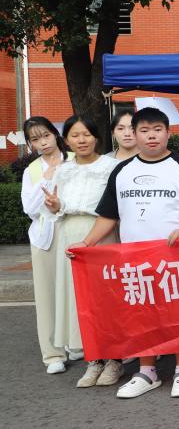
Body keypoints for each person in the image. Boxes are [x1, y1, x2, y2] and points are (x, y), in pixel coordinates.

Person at [69, 107, 179, 399]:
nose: (151, 136)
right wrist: (87, 243)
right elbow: (109, 215)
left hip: (174, 256)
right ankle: (147, 372)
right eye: (144, 131)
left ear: (168, 133)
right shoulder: (122, 171)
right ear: (134, 135)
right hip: (134, 258)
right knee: (140, 315)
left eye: (158, 130)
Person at [44, 116, 122, 387]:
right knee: (79, 300)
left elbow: (116, 207)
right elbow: (55, 208)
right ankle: (93, 359)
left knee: (106, 299)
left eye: (86, 134)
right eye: (75, 135)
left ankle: (114, 360)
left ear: (96, 137)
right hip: (69, 234)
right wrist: (55, 206)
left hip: (102, 233)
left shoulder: (111, 167)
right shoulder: (63, 170)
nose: (81, 140)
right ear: (66, 140)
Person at [21, 117, 71, 373]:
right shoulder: (32, 170)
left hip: (74, 232)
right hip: (44, 237)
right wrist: (46, 178)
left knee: (76, 292)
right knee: (46, 296)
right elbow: (30, 209)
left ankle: (77, 344)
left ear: (55, 134)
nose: (42, 143)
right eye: (35, 139)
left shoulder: (74, 160)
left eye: (46, 136)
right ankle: (53, 355)